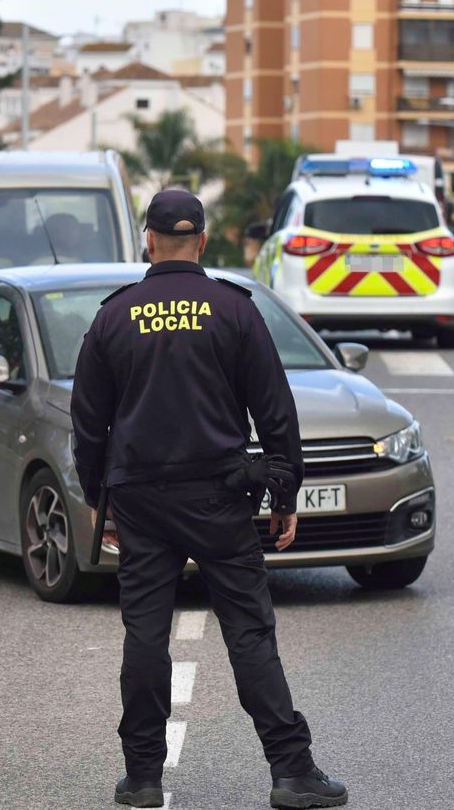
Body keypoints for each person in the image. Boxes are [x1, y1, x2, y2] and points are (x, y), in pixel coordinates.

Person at [72, 190, 347, 810]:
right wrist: (283, 490)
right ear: (202, 240)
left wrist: (99, 499)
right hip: (219, 497)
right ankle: (292, 772)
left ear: (148, 239)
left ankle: (142, 778)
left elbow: (88, 421)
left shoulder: (114, 316)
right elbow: (275, 409)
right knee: (249, 631)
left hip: (140, 499)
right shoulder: (233, 309)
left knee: (145, 634)